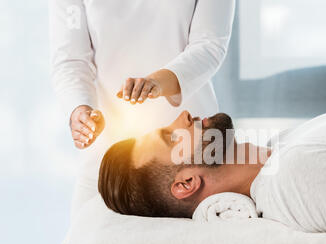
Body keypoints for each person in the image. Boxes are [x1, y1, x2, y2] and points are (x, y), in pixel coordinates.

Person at [98, 108, 326, 244]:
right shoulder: (295, 179)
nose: (183, 115)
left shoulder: (283, 147)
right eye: (171, 137)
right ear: (187, 183)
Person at [49, 0, 235, 213]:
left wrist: (158, 82)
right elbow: (71, 60)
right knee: (88, 242)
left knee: (196, 243)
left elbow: (210, 44)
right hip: (108, 159)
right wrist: (79, 108)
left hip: (191, 159)